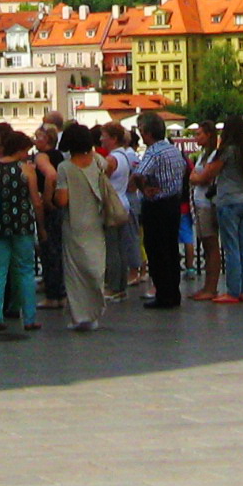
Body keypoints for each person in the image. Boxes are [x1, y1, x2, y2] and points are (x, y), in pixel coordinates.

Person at [0, 125, 42, 332]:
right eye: (25, 150)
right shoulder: (27, 170)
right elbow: (35, 201)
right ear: (18, 150)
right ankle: (29, 317)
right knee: (25, 270)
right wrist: (41, 227)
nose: (27, 154)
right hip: (22, 225)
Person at [54, 121, 113, 330]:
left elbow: (62, 200)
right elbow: (110, 169)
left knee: (75, 271)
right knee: (95, 266)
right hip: (96, 223)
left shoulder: (65, 168)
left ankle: (80, 315)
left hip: (74, 223)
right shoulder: (97, 161)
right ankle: (95, 309)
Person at [132, 112, 186, 309]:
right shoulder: (173, 150)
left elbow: (139, 173)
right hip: (173, 203)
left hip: (157, 205)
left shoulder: (153, 152)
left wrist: (143, 188)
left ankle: (163, 294)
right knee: (171, 249)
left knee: (156, 250)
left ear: (147, 133)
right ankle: (174, 291)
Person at [211, 115, 243, 305]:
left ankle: (232, 291)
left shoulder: (227, 151)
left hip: (228, 201)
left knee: (231, 247)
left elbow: (211, 172)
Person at [100, 122, 144, 294]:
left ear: (113, 138)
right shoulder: (125, 156)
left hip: (112, 205)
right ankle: (121, 284)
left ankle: (113, 286)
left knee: (112, 248)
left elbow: (102, 182)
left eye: (104, 135)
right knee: (121, 246)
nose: (101, 139)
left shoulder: (111, 160)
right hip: (123, 202)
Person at [187, 120, 223, 301]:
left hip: (207, 205)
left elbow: (202, 178)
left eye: (199, 134)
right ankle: (207, 286)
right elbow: (195, 175)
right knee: (206, 245)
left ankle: (211, 286)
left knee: (211, 245)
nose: (196, 137)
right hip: (199, 203)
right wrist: (195, 176)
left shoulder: (214, 155)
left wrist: (195, 177)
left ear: (209, 135)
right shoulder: (202, 155)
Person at [32, 125, 67, 309]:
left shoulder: (42, 157)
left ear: (48, 139)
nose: (35, 140)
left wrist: (46, 199)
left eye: (38, 137)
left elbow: (51, 175)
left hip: (49, 208)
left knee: (48, 249)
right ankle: (60, 293)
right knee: (58, 250)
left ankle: (52, 295)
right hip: (59, 207)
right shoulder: (59, 155)